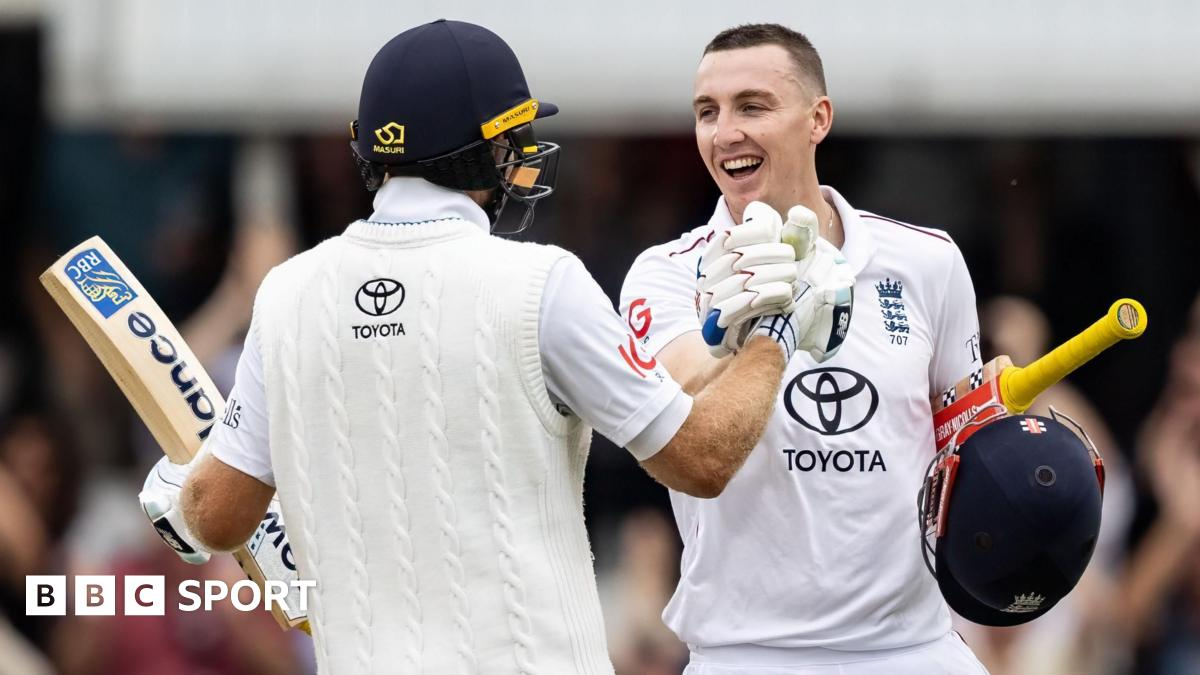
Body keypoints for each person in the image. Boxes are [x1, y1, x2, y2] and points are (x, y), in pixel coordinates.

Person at [137, 20, 801, 674]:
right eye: (514, 138)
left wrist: (179, 496)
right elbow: (703, 459)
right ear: (483, 149)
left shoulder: (287, 295)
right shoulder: (541, 284)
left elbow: (217, 518)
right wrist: (775, 328)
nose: (524, 155)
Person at [620, 23, 989, 673]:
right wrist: (743, 332)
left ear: (818, 118)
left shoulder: (928, 260)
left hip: (913, 648)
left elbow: (964, 441)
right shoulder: (665, 269)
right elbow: (672, 407)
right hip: (744, 652)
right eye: (708, 112)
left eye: (752, 106)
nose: (725, 131)